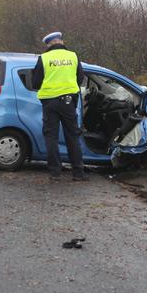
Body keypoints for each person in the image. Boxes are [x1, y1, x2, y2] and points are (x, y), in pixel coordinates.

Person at [32, 31, 87, 181]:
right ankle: (78, 173)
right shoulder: (73, 56)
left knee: (51, 137)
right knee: (72, 137)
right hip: (69, 102)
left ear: (49, 44)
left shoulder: (44, 58)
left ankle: (55, 173)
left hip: (50, 103)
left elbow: (35, 82)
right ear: (61, 42)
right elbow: (80, 78)